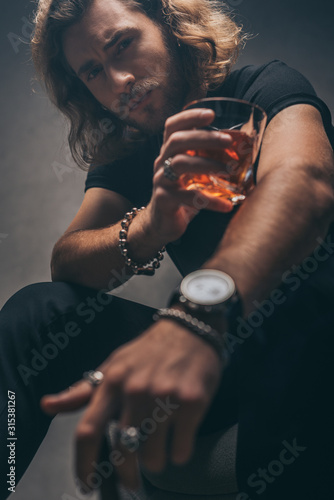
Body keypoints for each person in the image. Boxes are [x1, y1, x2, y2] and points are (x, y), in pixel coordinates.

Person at [1, 0, 334, 499]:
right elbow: (67, 261)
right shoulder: (131, 150)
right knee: (35, 313)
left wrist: (199, 313)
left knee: (297, 294)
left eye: (123, 44)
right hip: (230, 367)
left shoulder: (263, 87)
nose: (118, 80)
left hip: (309, 345)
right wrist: (151, 226)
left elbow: (304, 184)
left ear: (172, 25)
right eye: (93, 71)